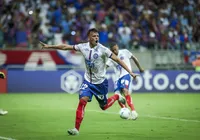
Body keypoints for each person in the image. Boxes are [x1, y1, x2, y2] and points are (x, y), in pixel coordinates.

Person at [39, 28, 139, 135]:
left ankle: (117, 97)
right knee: (82, 101)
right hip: (87, 82)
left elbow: (118, 60)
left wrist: (130, 72)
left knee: (104, 106)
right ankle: (76, 129)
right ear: (89, 38)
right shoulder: (83, 47)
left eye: (97, 36)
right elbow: (65, 47)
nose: (96, 38)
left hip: (100, 84)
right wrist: (49, 46)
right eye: (94, 36)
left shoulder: (103, 49)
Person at [106, 42, 144, 120]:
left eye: (115, 50)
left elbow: (134, 58)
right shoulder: (111, 57)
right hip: (117, 78)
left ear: (117, 46)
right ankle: (126, 111)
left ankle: (133, 111)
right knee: (118, 96)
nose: (115, 52)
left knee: (125, 90)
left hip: (126, 74)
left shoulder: (125, 52)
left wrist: (140, 68)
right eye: (113, 51)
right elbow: (105, 66)